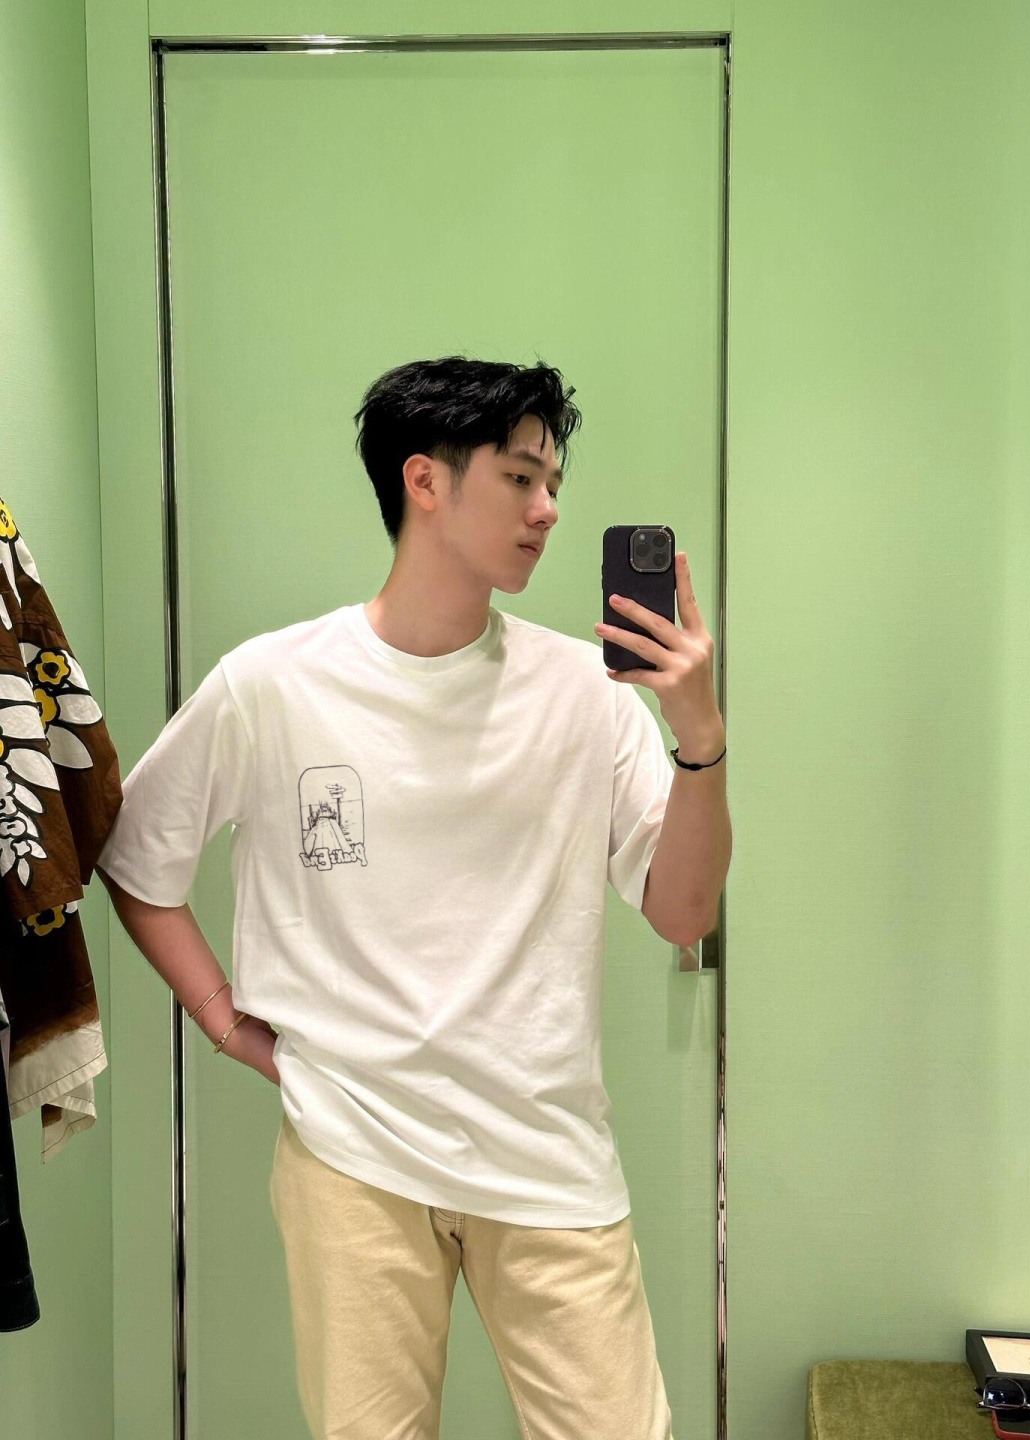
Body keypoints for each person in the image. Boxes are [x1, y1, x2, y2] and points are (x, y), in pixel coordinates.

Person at [96, 355, 729, 1439]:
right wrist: (223, 1019)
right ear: (425, 481)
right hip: (353, 1156)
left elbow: (684, 915)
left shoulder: (586, 694)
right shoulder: (271, 684)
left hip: (547, 1156)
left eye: (553, 481)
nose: (548, 508)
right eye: (521, 477)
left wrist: (700, 737)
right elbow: (137, 863)